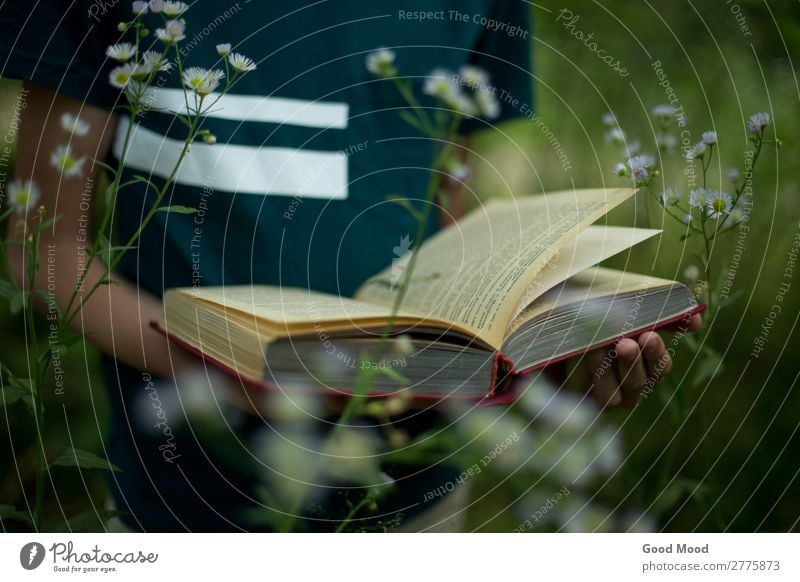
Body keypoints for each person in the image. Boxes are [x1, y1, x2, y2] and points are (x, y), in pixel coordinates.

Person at [1, 0, 699, 532]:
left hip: (417, 494)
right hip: (190, 503)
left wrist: (541, 367)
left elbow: (437, 229)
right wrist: (229, 374)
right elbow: (43, 250)